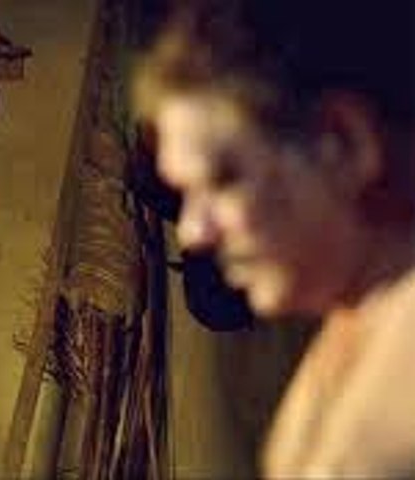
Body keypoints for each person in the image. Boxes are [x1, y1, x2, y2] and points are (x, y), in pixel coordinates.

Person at [132, 0, 415, 477]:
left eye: (223, 180)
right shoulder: (356, 314)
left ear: (343, 142)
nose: (193, 232)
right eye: (187, 194)